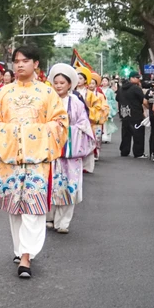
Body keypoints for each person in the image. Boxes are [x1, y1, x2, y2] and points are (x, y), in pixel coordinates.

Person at [0, 46, 67, 279]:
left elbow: (61, 122)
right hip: (9, 158)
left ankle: (26, 257)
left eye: (25, 60)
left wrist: (31, 133)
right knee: (14, 207)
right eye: (16, 61)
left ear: (36, 64)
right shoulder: (2, 93)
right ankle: (20, 248)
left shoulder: (47, 93)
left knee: (33, 204)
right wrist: (11, 132)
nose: (19, 65)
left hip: (37, 159)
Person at [46, 64, 95, 234]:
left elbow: (83, 124)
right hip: (50, 150)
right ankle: (49, 217)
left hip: (71, 150)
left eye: (62, 82)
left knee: (69, 184)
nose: (59, 85)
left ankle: (63, 222)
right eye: (56, 82)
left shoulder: (76, 102)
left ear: (69, 84)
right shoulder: (47, 100)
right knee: (49, 182)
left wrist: (68, 131)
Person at [74, 67, 105, 173]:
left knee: (87, 143)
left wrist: (88, 108)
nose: (78, 80)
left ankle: (86, 166)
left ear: (85, 80)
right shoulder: (71, 92)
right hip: (74, 122)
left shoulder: (90, 94)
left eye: (81, 78)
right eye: (76, 78)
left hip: (87, 121)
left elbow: (98, 108)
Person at [117, 73, 148, 158]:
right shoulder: (136, 88)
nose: (139, 79)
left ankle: (124, 150)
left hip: (124, 113)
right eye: (137, 78)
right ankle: (138, 153)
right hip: (136, 114)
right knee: (138, 133)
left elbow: (118, 100)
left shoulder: (121, 89)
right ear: (131, 78)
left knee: (125, 133)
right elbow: (144, 101)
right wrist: (148, 109)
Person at [101, 76, 119, 143]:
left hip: (109, 108)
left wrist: (114, 109)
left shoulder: (110, 91)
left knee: (109, 123)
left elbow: (113, 100)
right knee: (102, 123)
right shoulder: (100, 90)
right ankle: (103, 136)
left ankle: (108, 137)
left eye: (106, 81)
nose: (104, 82)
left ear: (108, 82)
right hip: (101, 108)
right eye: (103, 81)